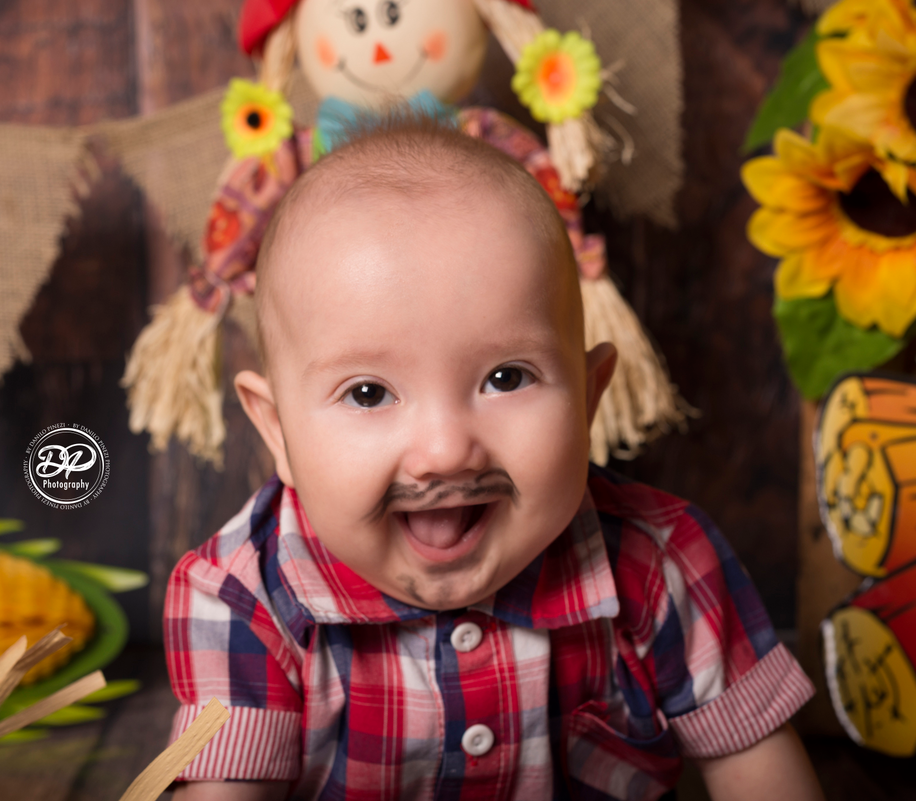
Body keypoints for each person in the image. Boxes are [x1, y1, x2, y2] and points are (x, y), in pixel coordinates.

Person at [164, 116, 823, 801]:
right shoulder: (243, 595)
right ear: (277, 431)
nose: (446, 450)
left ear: (590, 398)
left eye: (506, 378)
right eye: (368, 392)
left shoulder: (662, 562)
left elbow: (758, 769)